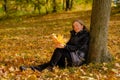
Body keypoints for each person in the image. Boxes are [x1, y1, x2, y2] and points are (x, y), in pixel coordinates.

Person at [20, 19, 90, 72]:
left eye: (77, 25)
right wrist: (60, 44)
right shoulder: (75, 34)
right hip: (70, 57)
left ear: (82, 26)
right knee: (53, 61)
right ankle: (30, 69)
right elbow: (68, 45)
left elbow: (77, 48)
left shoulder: (85, 35)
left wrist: (64, 46)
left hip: (77, 59)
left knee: (58, 52)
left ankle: (50, 67)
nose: (75, 27)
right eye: (74, 26)